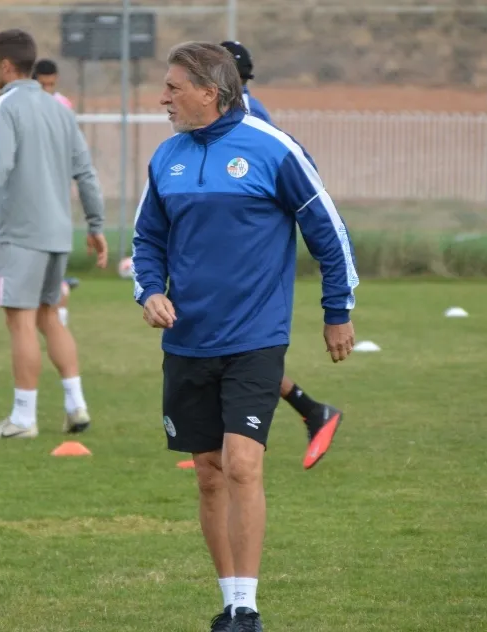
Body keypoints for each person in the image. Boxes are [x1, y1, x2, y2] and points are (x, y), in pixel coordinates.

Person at [132, 42, 358, 632]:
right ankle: (229, 600)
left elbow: (328, 230)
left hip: (256, 337)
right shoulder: (166, 158)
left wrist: (337, 308)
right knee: (209, 472)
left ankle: (247, 609)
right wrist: (149, 291)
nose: (163, 98)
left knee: (241, 465)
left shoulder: (273, 148)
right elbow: (147, 238)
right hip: (187, 340)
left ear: (210, 92)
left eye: (173, 87)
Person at [0, 29, 107, 438]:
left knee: (20, 320)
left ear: (6, 65)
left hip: (22, 232)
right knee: (48, 316)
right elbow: (86, 173)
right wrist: (95, 225)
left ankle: (23, 418)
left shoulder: (3, 107)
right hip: (58, 232)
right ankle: (76, 405)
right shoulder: (60, 109)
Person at [220, 39, 343, 470]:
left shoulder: (248, 115)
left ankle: (247, 439)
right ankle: (310, 411)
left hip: (249, 265)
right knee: (227, 353)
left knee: (238, 354)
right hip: (230, 263)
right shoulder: (235, 112)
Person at [0, 60, 79, 352]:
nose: (48, 89)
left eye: (52, 84)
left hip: (26, 212)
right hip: (27, 211)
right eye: (45, 84)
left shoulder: (7, 107)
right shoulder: (54, 109)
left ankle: (46, 334)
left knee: (24, 316)